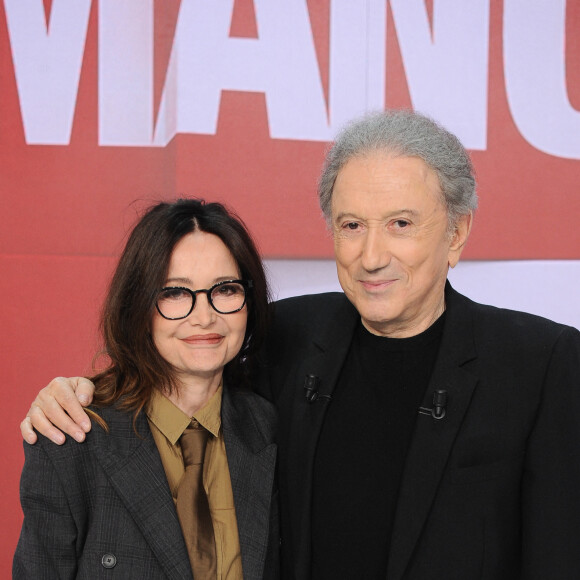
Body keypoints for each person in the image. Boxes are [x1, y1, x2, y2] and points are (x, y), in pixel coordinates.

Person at [21, 110, 580, 579]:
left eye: (401, 224)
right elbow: (182, 362)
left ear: (456, 234)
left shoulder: (544, 364)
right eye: (352, 225)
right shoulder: (284, 337)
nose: (372, 255)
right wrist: (80, 391)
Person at [14, 199, 279, 579]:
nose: (205, 316)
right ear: (138, 305)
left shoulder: (269, 426)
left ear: (249, 301)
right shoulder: (72, 440)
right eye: (174, 293)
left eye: (225, 290)